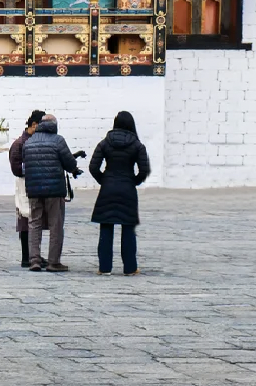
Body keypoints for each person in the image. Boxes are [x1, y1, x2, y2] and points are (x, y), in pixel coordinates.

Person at [89, 110, 152, 276]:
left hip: (108, 188)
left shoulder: (104, 143)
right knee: (128, 228)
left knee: (106, 226)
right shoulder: (138, 145)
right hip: (127, 189)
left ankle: (104, 268)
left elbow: (93, 167)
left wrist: (104, 180)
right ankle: (130, 268)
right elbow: (144, 170)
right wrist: (134, 181)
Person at [21, 113, 81, 272]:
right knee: (56, 224)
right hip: (54, 190)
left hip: (33, 189)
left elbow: (24, 163)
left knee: (34, 223)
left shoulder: (29, 142)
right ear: (54, 124)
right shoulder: (58, 140)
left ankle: (34, 260)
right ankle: (53, 262)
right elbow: (69, 162)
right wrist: (74, 169)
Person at [8, 110, 46, 268]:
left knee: (36, 220)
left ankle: (34, 254)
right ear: (34, 125)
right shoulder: (19, 144)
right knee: (25, 219)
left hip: (36, 183)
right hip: (25, 185)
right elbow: (16, 168)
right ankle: (27, 256)